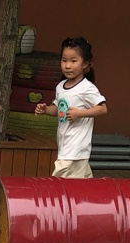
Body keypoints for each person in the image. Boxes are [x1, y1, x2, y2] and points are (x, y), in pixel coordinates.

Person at [34, 37, 106, 178]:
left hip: (75, 150)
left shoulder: (87, 88)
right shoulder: (61, 86)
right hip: (65, 146)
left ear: (85, 63)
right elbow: (58, 109)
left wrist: (80, 113)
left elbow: (102, 108)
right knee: (81, 186)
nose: (67, 66)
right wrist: (46, 110)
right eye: (64, 60)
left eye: (73, 61)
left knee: (60, 184)